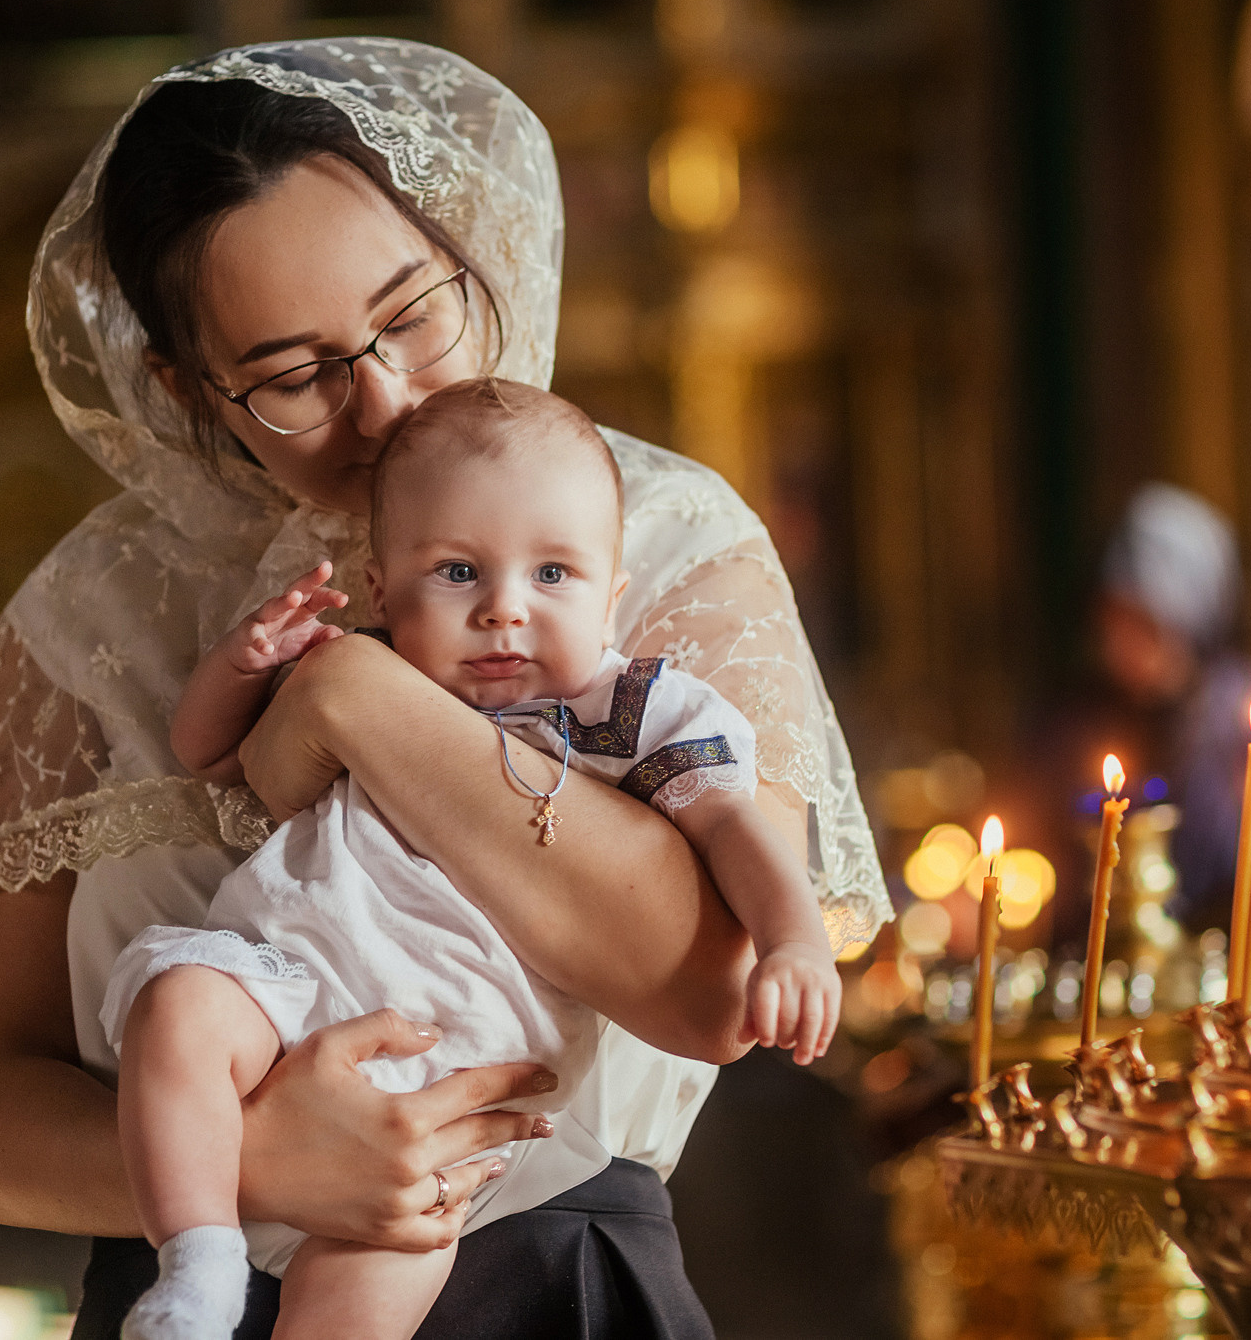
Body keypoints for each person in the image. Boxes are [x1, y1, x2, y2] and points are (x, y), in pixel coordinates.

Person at [0, 39, 890, 1340]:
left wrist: (355, 693)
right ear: (189, 390)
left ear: (470, 256)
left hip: (553, 1288)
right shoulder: (90, 616)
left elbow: (698, 989)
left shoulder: (661, 539)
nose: (390, 401)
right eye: (295, 375)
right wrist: (254, 1160)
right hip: (187, 1285)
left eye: (413, 315)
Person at [108, 380, 842, 1339]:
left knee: (363, 1292)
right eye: (458, 573)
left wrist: (795, 939)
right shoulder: (373, 667)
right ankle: (198, 1269)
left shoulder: (628, 713)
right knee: (177, 1008)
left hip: (447, 1078)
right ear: (384, 588)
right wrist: (245, 663)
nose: (504, 611)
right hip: (284, 981)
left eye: (552, 575)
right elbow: (208, 755)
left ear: (613, 594)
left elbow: (731, 826)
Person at [1065, 483, 1251, 923]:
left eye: (1141, 624)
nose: (1121, 648)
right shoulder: (1087, 719)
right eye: (1112, 623)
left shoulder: (1250, 714)